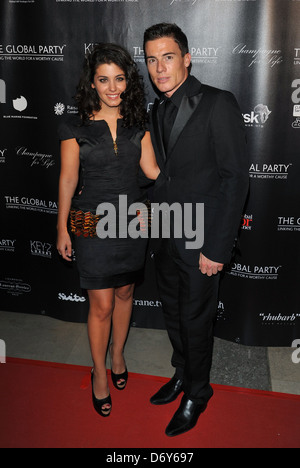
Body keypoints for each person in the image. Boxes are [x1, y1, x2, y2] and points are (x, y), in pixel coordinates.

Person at [144, 23, 249, 436]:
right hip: (167, 236)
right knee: (173, 313)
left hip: (203, 241)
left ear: (186, 58)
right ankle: (182, 375)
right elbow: (164, 176)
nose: (159, 67)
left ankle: (197, 394)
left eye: (168, 57)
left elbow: (235, 178)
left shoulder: (218, 103)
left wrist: (217, 248)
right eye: (152, 60)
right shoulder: (156, 109)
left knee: (196, 319)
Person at [56, 43, 159, 418]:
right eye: (104, 80)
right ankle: (99, 372)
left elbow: (152, 172)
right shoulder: (74, 124)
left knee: (125, 291)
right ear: (93, 83)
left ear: (128, 82)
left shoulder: (138, 122)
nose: (112, 88)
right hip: (88, 220)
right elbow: (68, 179)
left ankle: (117, 355)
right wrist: (62, 227)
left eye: (119, 80)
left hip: (132, 219)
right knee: (99, 303)